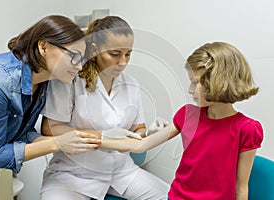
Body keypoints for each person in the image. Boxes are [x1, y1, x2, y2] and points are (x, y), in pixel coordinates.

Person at [101, 42, 264, 200]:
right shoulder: (188, 115)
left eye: (195, 82)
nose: (190, 90)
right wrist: (97, 140)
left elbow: (241, 187)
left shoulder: (247, 129)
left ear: (219, 82)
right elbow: (141, 145)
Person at [40, 16, 169, 200]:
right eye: (115, 54)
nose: (123, 62)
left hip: (121, 172)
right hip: (73, 174)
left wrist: (147, 135)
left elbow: (137, 128)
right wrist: (102, 136)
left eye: (128, 54)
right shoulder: (71, 79)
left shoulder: (131, 84)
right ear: (95, 50)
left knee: (171, 196)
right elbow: (50, 127)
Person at [0, 15, 101, 200]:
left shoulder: (44, 82)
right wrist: (56, 143)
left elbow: (18, 132)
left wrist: (67, 141)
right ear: (43, 47)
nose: (80, 67)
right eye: (73, 56)